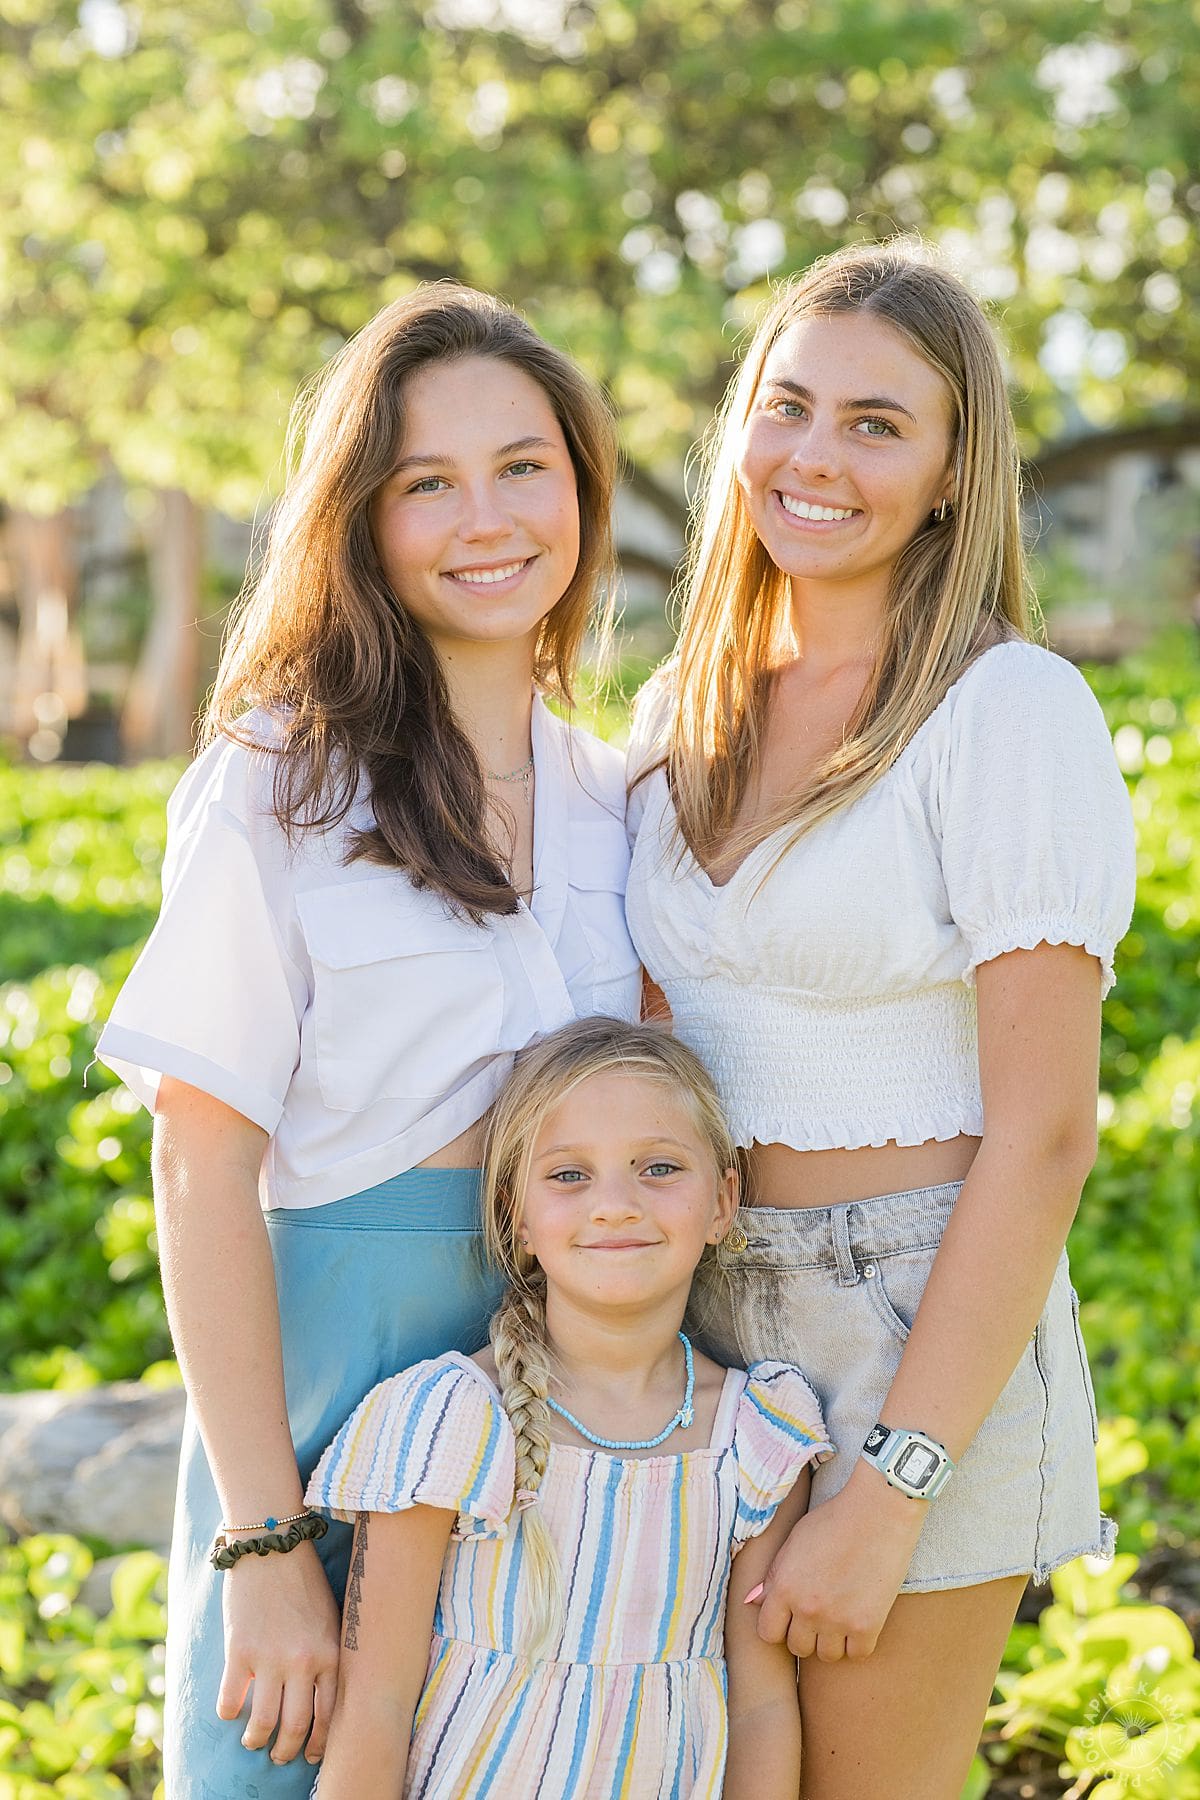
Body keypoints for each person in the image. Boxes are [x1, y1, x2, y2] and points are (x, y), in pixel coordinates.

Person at [94, 285, 643, 1795]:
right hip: (329, 1431)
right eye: (427, 481)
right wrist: (265, 1543)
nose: (488, 516)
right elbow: (202, 1170)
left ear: (583, 492)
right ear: (361, 518)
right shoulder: (276, 782)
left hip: (577, 1458)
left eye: (525, 466)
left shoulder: (624, 796)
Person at [624, 242, 1136, 1799]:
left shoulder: (1008, 712)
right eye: (789, 407)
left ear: (950, 473)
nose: (817, 457)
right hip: (686, 1321)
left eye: (877, 423)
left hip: (913, 1323)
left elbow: (1045, 1134)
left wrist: (895, 1486)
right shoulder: (679, 712)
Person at [304, 1015, 833, 1799]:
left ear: (723, 1201)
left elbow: (760, 1706)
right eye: (569, 1176)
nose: (615, 1204)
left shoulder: (756, 1437)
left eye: (658, 1167)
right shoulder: (450, 1420)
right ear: (519, 1216)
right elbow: (375, 1703)